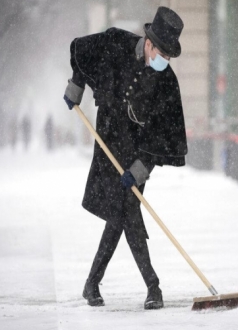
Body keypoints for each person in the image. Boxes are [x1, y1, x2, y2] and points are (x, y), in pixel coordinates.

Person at [63, 7, 187, 310]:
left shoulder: (166, 81)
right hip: (108, 142)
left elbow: (164, 134)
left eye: (170, 57)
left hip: (136, 154)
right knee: (122, 213)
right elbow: (81, 50)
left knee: (125, 211)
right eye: (163, 54)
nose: (165, 61)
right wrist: (76, 85)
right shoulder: (114, 44)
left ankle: (125, 285)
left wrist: (142, 167)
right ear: (149, 43)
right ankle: (145, 286)